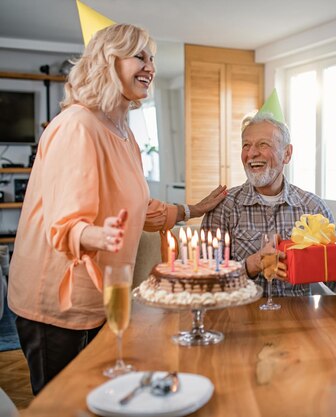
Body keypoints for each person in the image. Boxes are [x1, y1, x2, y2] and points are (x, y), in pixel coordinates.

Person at [8, 23, 227, 395]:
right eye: (139, 56)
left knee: (100, 396)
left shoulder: (124, 133)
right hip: (59, 305)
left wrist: (192, 209)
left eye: (152, 58)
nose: (151, 66)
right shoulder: (78, 126)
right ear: (109, 63)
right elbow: (65, 227)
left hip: (104, 294)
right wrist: (99, 234)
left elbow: (140, 209)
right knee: (65, 403)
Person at [202, 111, 336, 296]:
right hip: (242, 320)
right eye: (246, 145)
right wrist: (251, 265)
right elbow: (204, 282)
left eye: (263, 144)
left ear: (287, 154)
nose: (252, 153)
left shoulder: (314, 208)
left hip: (300, 319)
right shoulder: (223, 208)